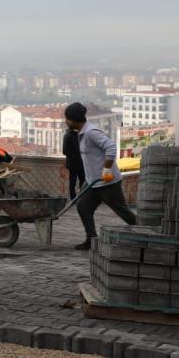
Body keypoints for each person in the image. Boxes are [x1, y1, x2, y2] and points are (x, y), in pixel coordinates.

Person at [63, 102, 135, 250]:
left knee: (123, 213)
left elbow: (110, 147)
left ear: (72, 120)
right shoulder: (81, 133)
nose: (66, 122)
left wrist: (107, 170)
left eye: (67, 119)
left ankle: (149, 232)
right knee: (83, 207)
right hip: (93, 182)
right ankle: (91, 239)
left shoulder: (91, 132)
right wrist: (87, 180)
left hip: (108, 183)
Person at [62, 128, 85, 199]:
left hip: (80, 163)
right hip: (73, 164)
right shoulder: (68, 135)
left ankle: (81, 196)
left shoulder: (79, 135)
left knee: (83, 180)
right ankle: (73, 197)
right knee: (73, 181)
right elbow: (65, 151)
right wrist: (76, 157)